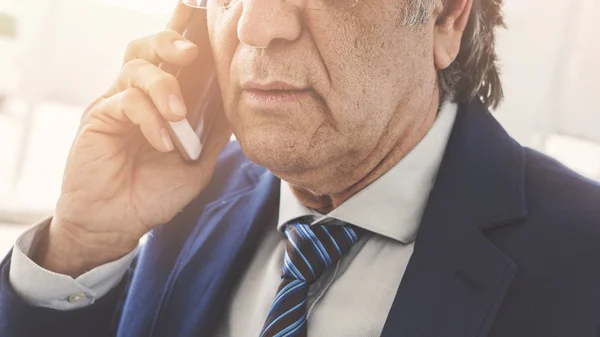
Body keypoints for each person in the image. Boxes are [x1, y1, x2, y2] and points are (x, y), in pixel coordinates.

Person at [1, 0, 600, 335]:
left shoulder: (584, 263)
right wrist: (82, 247)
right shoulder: (173, 197)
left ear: (444, 17)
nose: (256, 26)